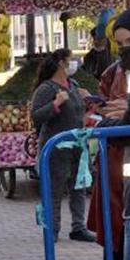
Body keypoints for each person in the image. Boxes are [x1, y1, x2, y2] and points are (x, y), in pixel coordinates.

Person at [90, 8, 130, 260]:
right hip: (116, 184)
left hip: (127, 188)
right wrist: (104, 113)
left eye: (129, 42)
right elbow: (101, 112)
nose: (123, 50)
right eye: (119, 44)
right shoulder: (112, 71)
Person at [30, 48, 96, 243]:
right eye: (71, 59)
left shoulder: (74, 85)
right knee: (54, 189)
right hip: (56, 147)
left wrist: (89, 102)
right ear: (61, 63)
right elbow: (35, 116)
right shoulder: (46, 89)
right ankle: (52, 229)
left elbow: (79, 111)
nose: (74, 63)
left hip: (77, 144)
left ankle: (78, 227)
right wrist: (55, 104)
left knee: (79, 186)